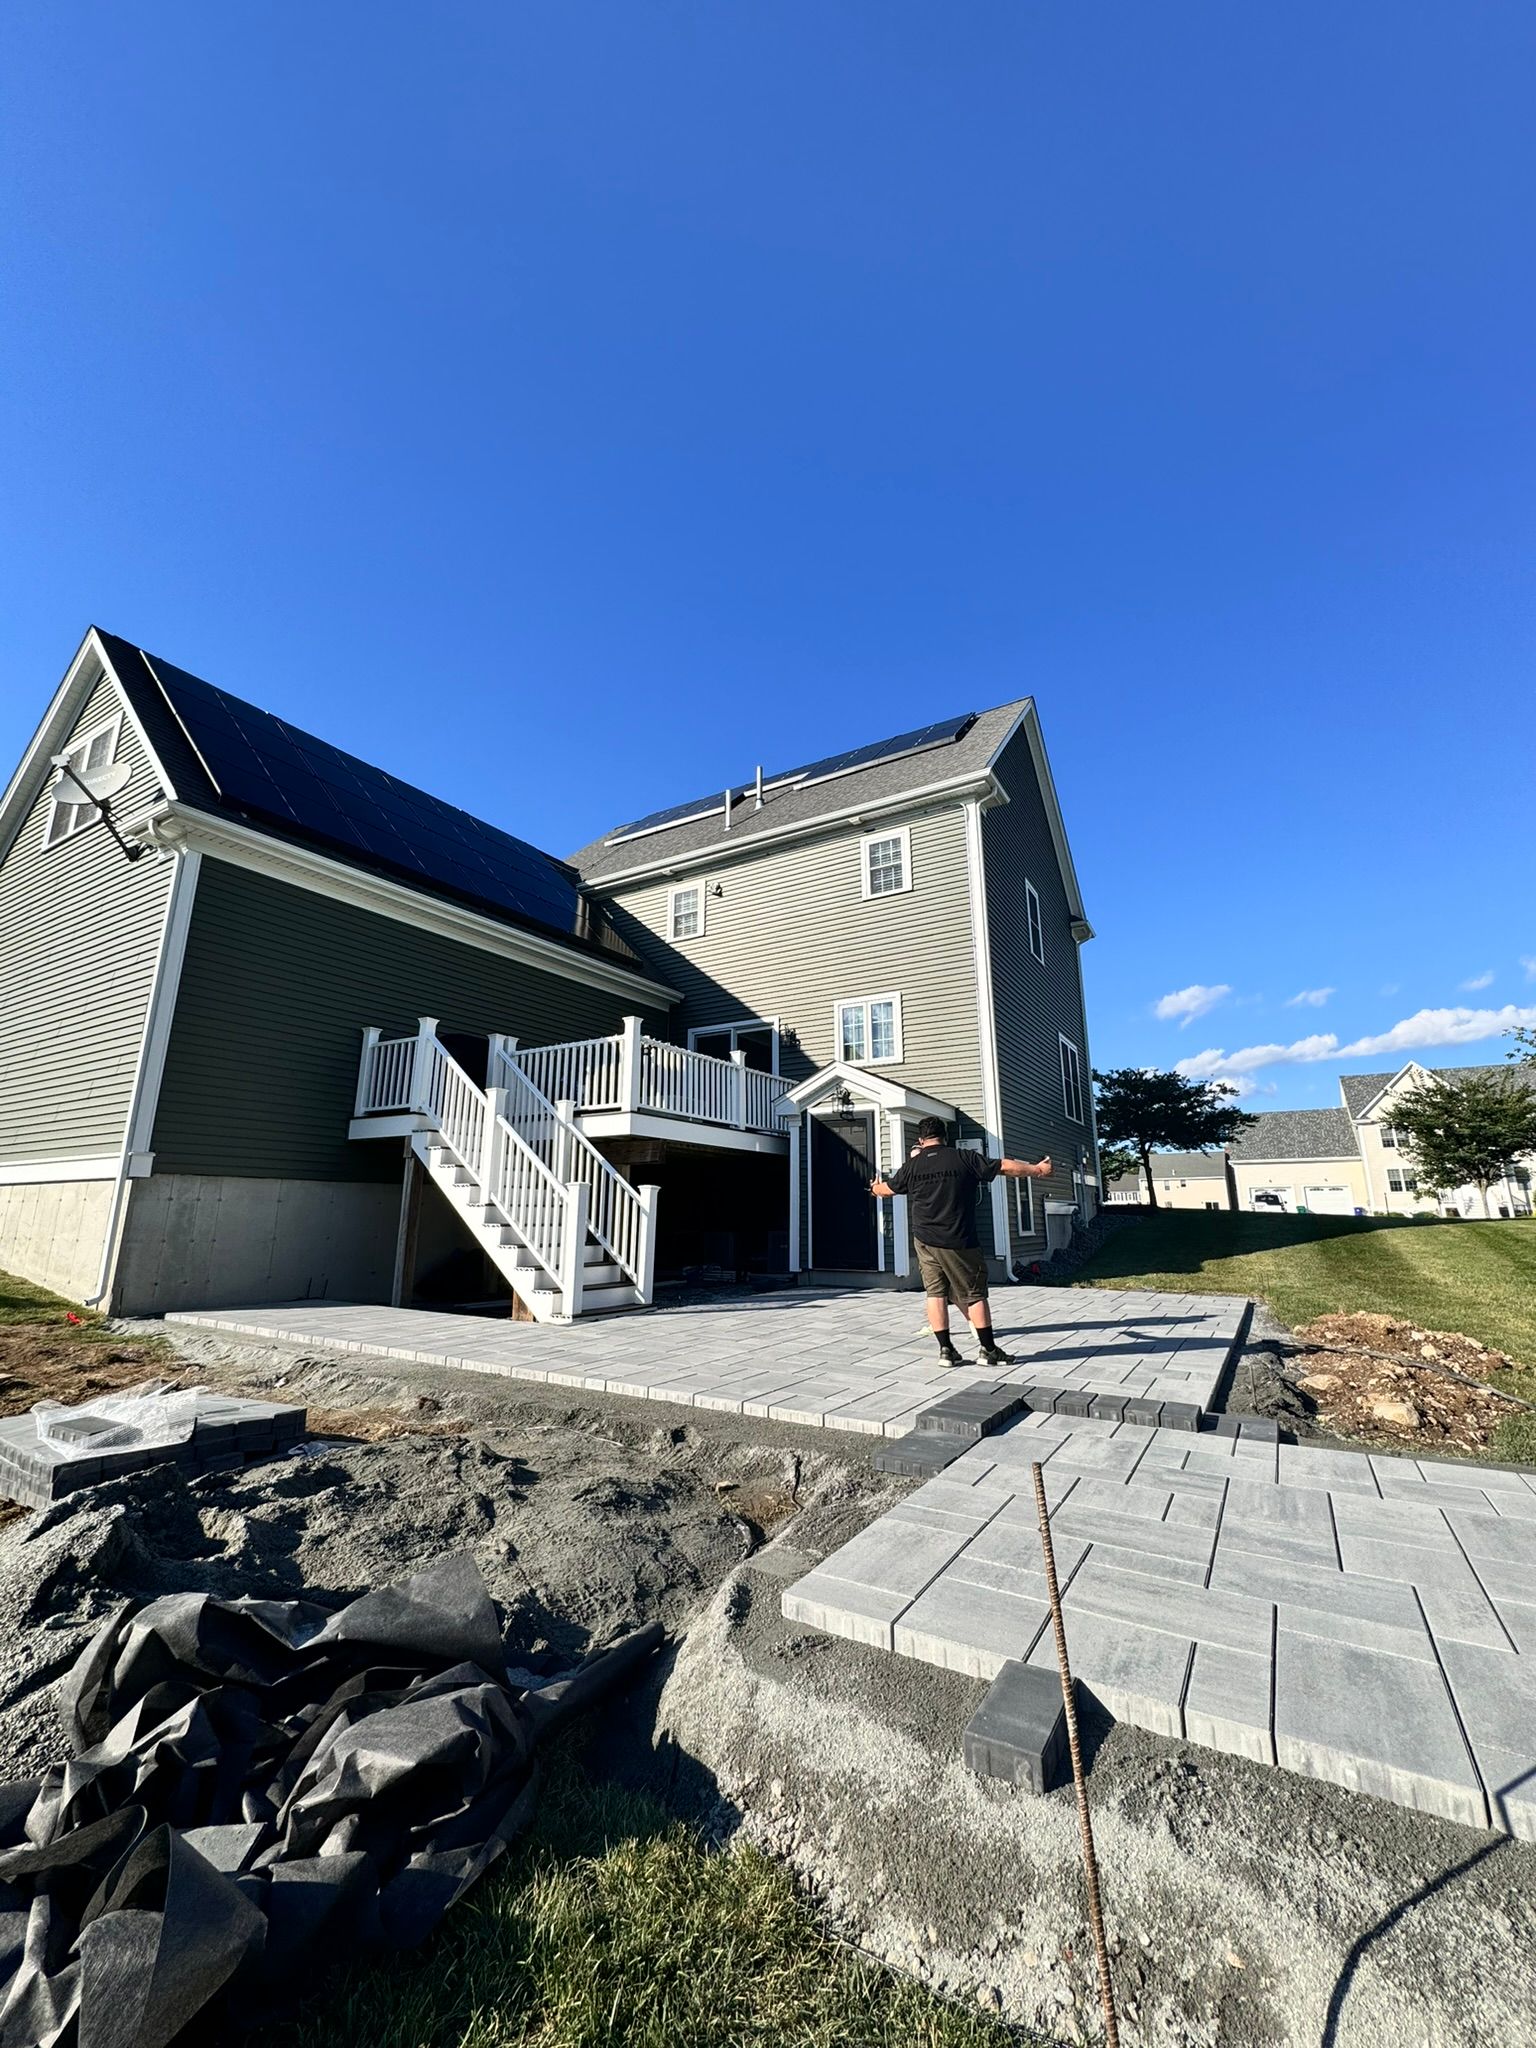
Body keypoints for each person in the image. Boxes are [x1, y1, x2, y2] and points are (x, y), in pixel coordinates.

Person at [870, 1115, 1051, 1367]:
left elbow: (888, 1189)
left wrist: (874, 1188)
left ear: (921, 1140)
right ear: (944, 1136)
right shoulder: (963, 1157)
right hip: (958, 1238)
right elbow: (1004, 1166)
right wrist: (1037, 1170)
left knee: (935, 1293)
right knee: (974, 1293)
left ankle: (946, 1351)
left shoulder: (912, 1166)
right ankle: (988, 1350)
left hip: (924, 1239)